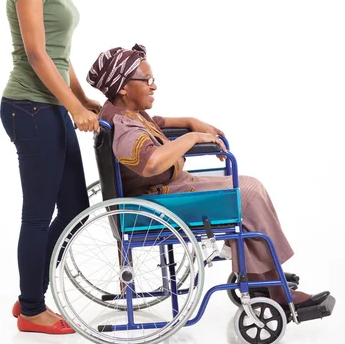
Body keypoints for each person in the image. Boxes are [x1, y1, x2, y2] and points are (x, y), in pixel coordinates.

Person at [87, 44, 331, 312]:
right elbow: (151, 164)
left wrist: (191, 121)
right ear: (123, 87)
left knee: (248, 188)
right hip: (159, 201)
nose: (153, 86)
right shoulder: (124, 126)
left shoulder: (124, 112)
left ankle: (263, 276)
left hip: (170, 190)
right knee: (247, 194)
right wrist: (192, 138)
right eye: (146, 80)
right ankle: (275, 289)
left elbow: (158, 122)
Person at [0, 0, 100, 334]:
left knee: (75, 206)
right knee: (38, 214)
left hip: (52, 105)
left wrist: (83, 98)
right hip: (29, 107)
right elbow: (37, 55)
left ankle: (30, 294)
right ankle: (32, 310)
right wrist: (73, 106)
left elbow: (60, 54)